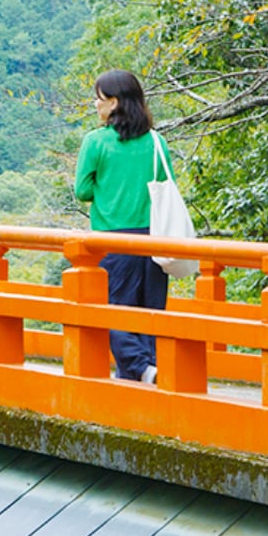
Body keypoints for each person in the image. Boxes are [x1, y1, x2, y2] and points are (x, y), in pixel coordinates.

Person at [74, 69, 173, 385]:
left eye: (99, 99)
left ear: (114, 102)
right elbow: (166, 184)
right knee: (149, 311)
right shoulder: (157, 142)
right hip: (155, 238)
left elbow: (82, 191)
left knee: (110, 310)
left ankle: (140, 369)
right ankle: (145, 373)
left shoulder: (96, 141)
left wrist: (107, 189)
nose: (95, 105)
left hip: (113, 239)